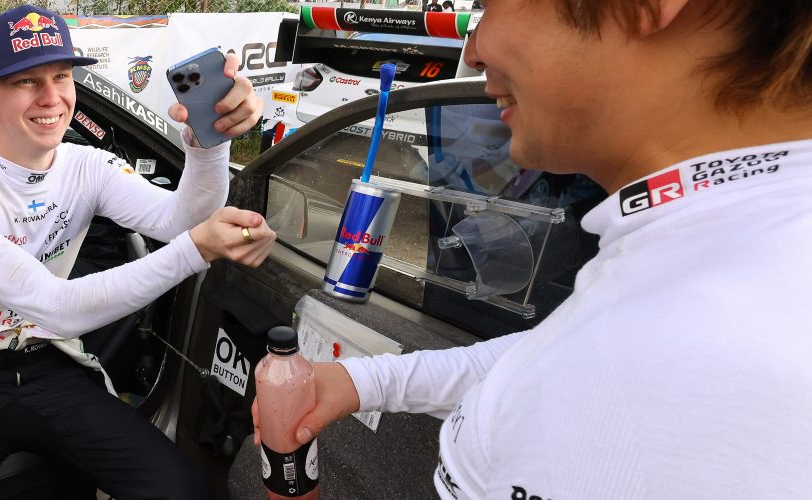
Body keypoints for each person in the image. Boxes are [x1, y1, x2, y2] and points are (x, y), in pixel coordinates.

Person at [257, 0, 812, 498]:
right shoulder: (727, 258)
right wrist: (365, 381)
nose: (472, 51)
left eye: (490, 5)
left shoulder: (714, 351)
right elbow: (557, 356)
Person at [0, 4, 271, 499]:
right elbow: (58, 307)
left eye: (61, 76)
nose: (52, 97)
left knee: (184, 491)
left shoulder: (87, 165)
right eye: (26, 81)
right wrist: (195, 250)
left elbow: (180, 220)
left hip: (50, 365)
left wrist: (209, 141)